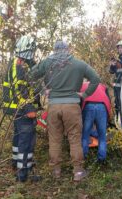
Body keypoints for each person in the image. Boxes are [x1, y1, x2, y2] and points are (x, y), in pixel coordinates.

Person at [30, 40, 100, 181]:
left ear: (55, 50)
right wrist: (85, 95)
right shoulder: (79, 63)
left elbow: (31, 75)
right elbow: (96, 78)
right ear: (67, 49)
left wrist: (43, 91)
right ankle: (78, 172)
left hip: (54, 106)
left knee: (55, 139)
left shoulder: (47, 62)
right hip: (72, 107)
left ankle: (56, 171)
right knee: (74, 139)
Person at [2, 35, 40, 182]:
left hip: (16, 110)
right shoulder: (18, 66)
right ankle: (23, 174)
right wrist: (29, 108)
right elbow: (20, 91)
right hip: (23, 111)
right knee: (26, 141)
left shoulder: (15, 64)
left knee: (18, 139)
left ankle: (17, 164)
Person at [80, 82, 111, 163]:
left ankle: (83, 156)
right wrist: (108, 117)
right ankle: (102, 159)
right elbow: (108, 100)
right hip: (102, 106)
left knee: (85, 134)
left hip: (88, 106)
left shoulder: (83, 85)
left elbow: (79, 100)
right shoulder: (102, 86)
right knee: (102, 136)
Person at [109, 40, 122, 119]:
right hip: (117, 86)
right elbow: (111, 72)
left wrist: (118, 62)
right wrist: (112, 65)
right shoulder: (118, 60)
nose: (119, 49)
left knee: (121, 104)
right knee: (117, 104)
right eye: (118, 48)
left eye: (121, 48)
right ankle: (117, 120)